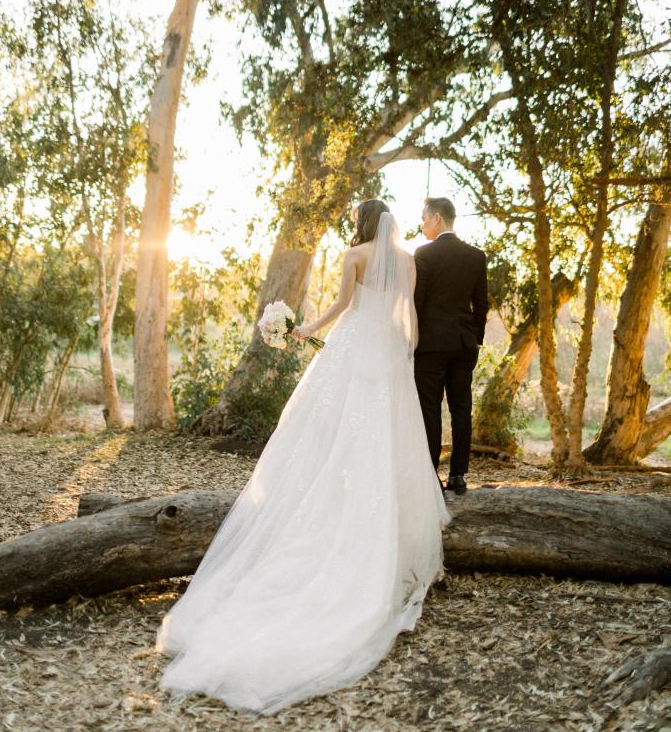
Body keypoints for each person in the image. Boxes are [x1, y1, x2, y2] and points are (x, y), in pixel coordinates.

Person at [155, 199, 450, 715]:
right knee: (386, 436)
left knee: (328, 431)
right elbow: (409, 316)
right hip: (390, 351)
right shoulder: (408, 260)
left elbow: (343, 308)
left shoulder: (353, 255)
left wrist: (307, 329)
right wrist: (407, 352)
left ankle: (326, 504)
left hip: (355, 346)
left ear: (364, 222)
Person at [413, 196, 489, 496]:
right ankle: (458, 475)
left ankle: (431, 475)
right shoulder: (476, 256)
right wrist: (476, 338)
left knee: (429, 409)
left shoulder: (424, 254)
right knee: (461, 407)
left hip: (430, 344)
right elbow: (481, 304)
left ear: (437, 218)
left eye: (424, 219)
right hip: (463, 343)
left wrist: (413, 338)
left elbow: (418, 302)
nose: (422, 225)